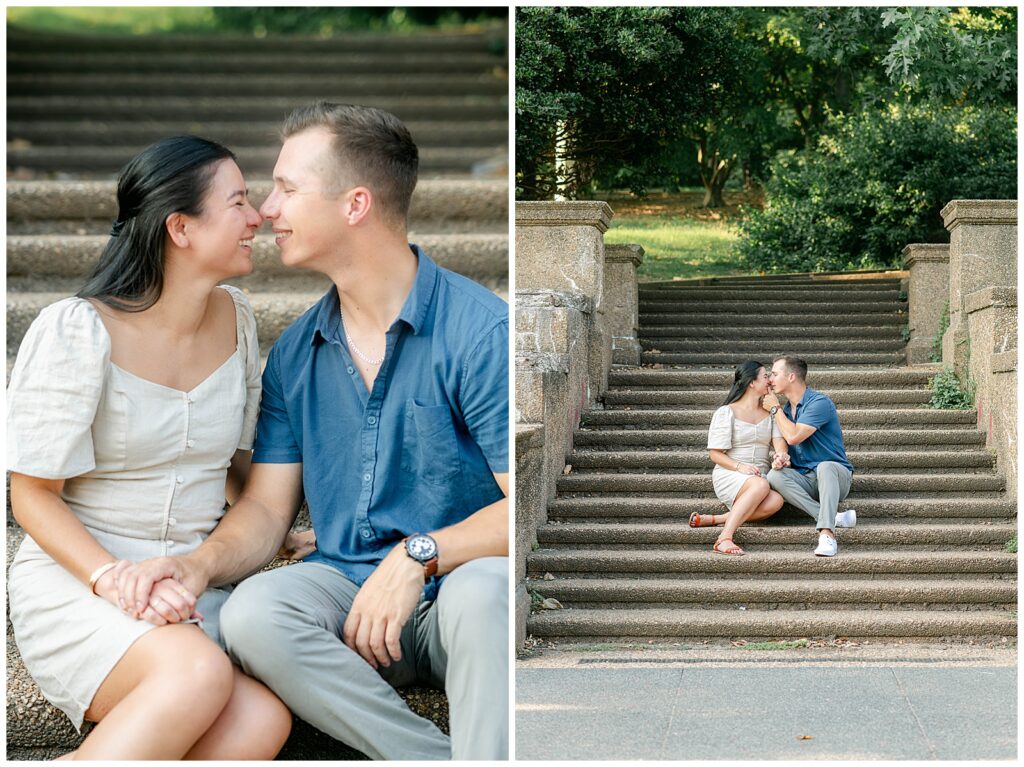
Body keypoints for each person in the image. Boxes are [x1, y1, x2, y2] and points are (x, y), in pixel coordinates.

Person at [114, 102, 509, 760]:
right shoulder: (297, 352)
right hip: (343, 594)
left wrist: (418, 553)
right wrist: (196, 563)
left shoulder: (477, 330)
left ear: (355, 204)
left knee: (488, 590)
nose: (267, 209)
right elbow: (268, 507)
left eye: (288, 189)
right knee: (253, 611)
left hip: (458, 592)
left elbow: (518, 507)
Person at [6, 136, 293, 759]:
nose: (258, 217)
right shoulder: (75, 330)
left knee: (262, 722)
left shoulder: (238, 319)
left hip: (186, 578)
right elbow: (29, 493)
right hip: (81, 576)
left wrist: (276, 527)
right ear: (180, 227)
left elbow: (241, 472)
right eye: (239, 202)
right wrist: (111, 578)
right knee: (198, 675)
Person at [763, 355, 857, 557]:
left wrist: (774, 408)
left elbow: (794, 436)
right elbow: (786, 443)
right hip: (806, 479)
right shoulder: (787, 410)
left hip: (835, 477)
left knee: (825, 466)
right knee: (774, 476)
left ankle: (827, 535)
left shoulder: (819, 403)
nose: (770, 379)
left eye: (775, 374)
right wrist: (783, 458)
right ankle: (831, 516)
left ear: (791, 377)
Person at [693, 360, 786, 555]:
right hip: (731, 473)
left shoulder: (771, 412)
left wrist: (780, 456)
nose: (769, 380)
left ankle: (718, 518)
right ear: (752, 382)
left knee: (776, 501)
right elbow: (715, 454)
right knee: (760, 485)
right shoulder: (727, 412)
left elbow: (779, 442)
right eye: (765, 376)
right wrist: (740, 467)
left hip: (760, 475)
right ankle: (724, 538)